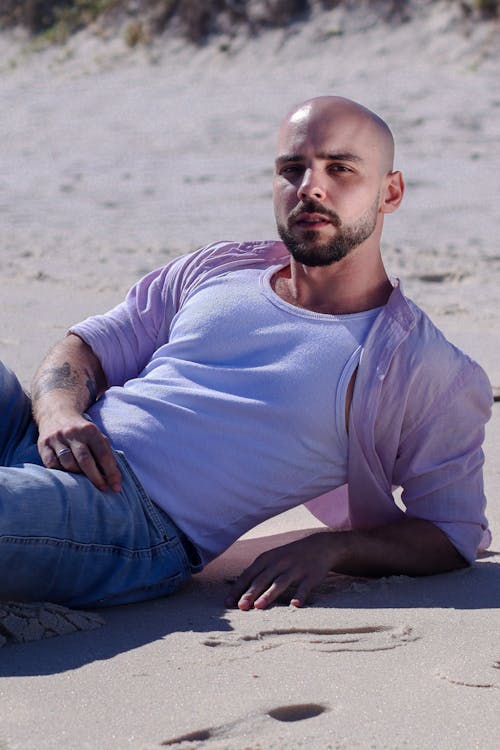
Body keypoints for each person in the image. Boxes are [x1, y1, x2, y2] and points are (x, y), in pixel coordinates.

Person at [0, 96, 492, 611]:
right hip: (40, 434)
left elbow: (451, 531)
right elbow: (88, 347)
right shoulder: (221, 269)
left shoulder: (424, 368)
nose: (311, 187)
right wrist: (57, 411)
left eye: (341, 168)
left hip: (128, 520)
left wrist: (335, 546)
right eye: (292, 169)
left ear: (389, 192)